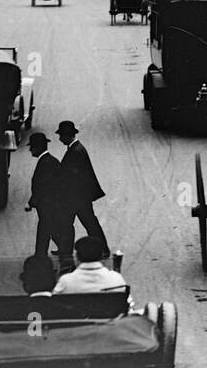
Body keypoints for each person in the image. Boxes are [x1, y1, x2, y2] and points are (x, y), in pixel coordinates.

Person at [57, 121, 109, 252]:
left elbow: (71, 177)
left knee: (87, 224)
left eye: (61, 135)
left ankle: (102, 249)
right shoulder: (77, 148)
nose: (59, 139)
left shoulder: (75, 152)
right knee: (73, 223)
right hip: (79, 197)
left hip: (77, 198)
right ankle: (102, 248)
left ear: (67, 135)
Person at [26, 132, 74, 269]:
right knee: (48, 232)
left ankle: (50, 259)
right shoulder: (49, 161)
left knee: (48, 232)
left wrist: (31, 202)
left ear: (37, 148)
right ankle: (44, 256)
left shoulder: (45, 163)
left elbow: (43, 187)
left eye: (31, 147)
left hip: (50, 208)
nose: (30, 150)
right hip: (51, 207)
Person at [54, 236, 130, 301]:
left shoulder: (66, 281)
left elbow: (53, 304)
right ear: (102, 255)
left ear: (77, 257)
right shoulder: (116, 278)